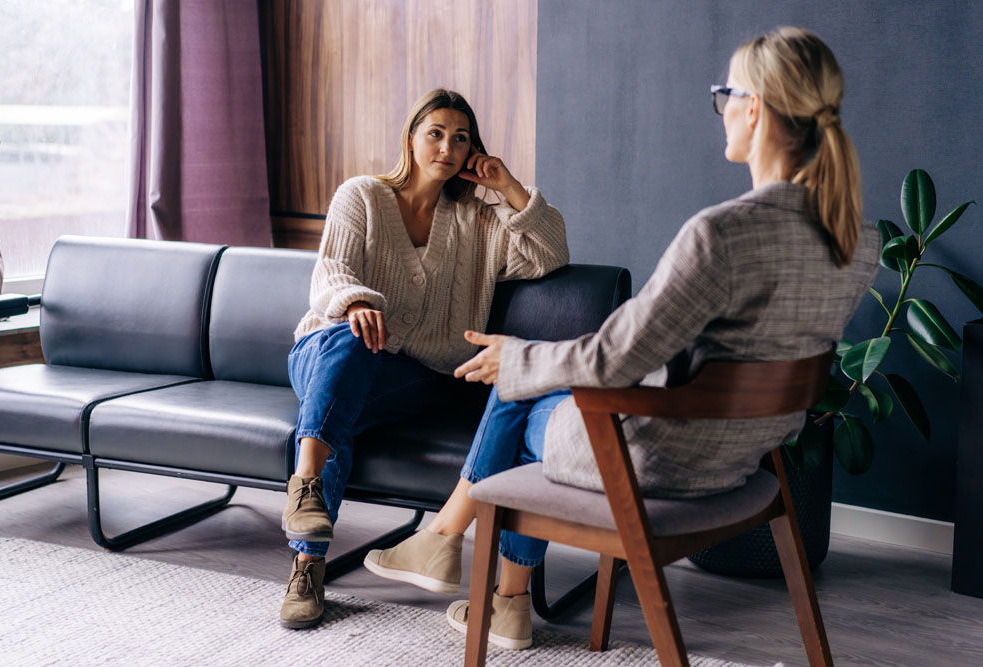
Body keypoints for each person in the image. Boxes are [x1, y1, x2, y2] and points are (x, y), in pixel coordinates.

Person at [365, 27, 880, 650]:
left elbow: (616, 357)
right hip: (744, 459)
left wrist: (520, 358)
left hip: (660, 459)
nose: (722, 111)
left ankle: (460, 558)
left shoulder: (723, 233)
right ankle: (491, 590)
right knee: (531, 374)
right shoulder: (857, 240)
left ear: (756, 108)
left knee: (518, 388)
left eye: (725, 95)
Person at [280, 89, 569, 629]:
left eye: (461, 138)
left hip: (413, 376)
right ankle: (308, 505)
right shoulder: (361, 195)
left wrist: (508, 187)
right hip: (325, 348)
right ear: (411, 139)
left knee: (341, 407)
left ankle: (306, 556)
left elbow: (550, 256)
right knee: (351, 344)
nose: (447, 146)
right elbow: (329, 274)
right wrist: (358, 302)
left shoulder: (479, 222)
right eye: (435, 132)